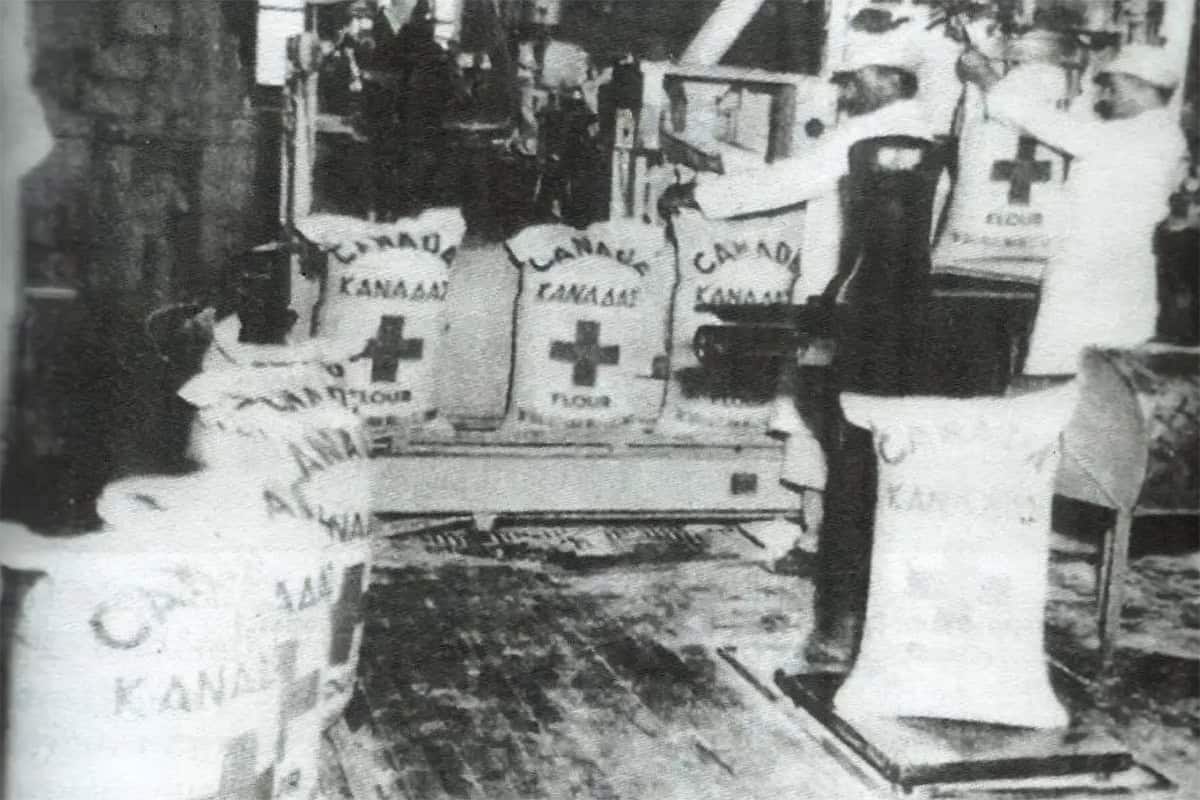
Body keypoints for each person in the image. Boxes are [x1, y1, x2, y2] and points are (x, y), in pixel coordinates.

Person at [660, 32, 942, 672]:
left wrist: (700, 196)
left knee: (842, 441)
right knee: (838, 439)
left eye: (855, 79)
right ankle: (829, 560)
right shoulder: (914, 136)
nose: (846, 89)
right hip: (875, 302)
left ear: (888, 79)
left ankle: (838, 614)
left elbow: (792, 178)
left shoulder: (876, 138)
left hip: (851, 304)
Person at [957, 44, 1189, 379]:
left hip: (1104, 270)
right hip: (1096, 266)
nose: (1106, 93)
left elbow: (1060, 129)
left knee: (1080, 374)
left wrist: (988, 79)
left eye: (1116, 85)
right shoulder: (1141, 131)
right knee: (1082, 371)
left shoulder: (1149, 133)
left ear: (1142, 86)